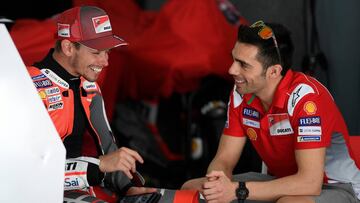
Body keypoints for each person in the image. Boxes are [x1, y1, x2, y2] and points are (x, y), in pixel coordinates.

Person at [182, 20, 360, 203]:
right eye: (233, 59)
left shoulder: (306, 99)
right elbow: (224, 159)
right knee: (193, 189)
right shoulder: (240, 93)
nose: (231, 69)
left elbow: (310, 182)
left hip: (334, 186)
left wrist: (237, 190)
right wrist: (217, 181)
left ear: (274, 72)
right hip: (281, 182)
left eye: (243, 65)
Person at [27, 6, 158, 202]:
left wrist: (127, 188)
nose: (105, 62)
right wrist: (98, 166)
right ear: (68, 47)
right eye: (97, 52)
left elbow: (108, 148)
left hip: (81, 189)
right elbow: (23, 171)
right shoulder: (26, 86)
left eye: (108, 52)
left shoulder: (89, 86)